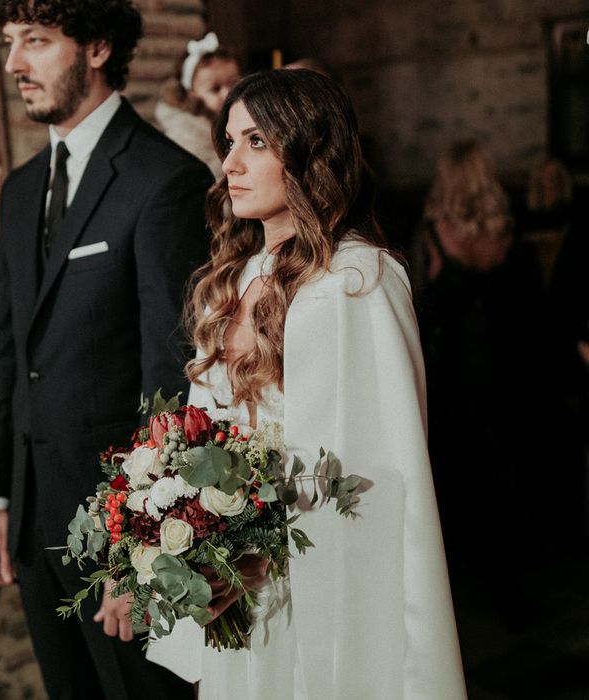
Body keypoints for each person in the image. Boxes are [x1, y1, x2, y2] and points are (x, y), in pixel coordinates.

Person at [147, 69, 467, 699]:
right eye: (230, 140)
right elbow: (203, 435)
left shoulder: (357, 281)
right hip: (235, 584)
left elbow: (380, 470)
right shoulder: (234, 278)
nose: (231, 162)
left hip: (312, 582)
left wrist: (261, 547)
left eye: (257, 142)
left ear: (310, 153)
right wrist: (186, 526)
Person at [0, 1, 212, 698]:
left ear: (99, 46)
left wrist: (142, 545)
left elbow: (172, 378)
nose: (16, 62)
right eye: (10, 42)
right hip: (33, 519)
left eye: (38, 41)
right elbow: (10, 355)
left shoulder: (165, 182)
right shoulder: (20, 193)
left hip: (118, 534)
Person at [414, 141, 547, 612]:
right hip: (511, 370)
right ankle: (510, 580)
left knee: (460, 472)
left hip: (455, 374)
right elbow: (534, 309)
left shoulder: (433, 235)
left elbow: (420, 313)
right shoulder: (509, 234)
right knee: (506, 470)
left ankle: (460, 587)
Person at [154, 32, 241, 177]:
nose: (227, 94)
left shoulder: (234, 116)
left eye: (233, 84)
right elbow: (202, 174)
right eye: (215, 89)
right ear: (193, 93)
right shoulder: (185, 131)